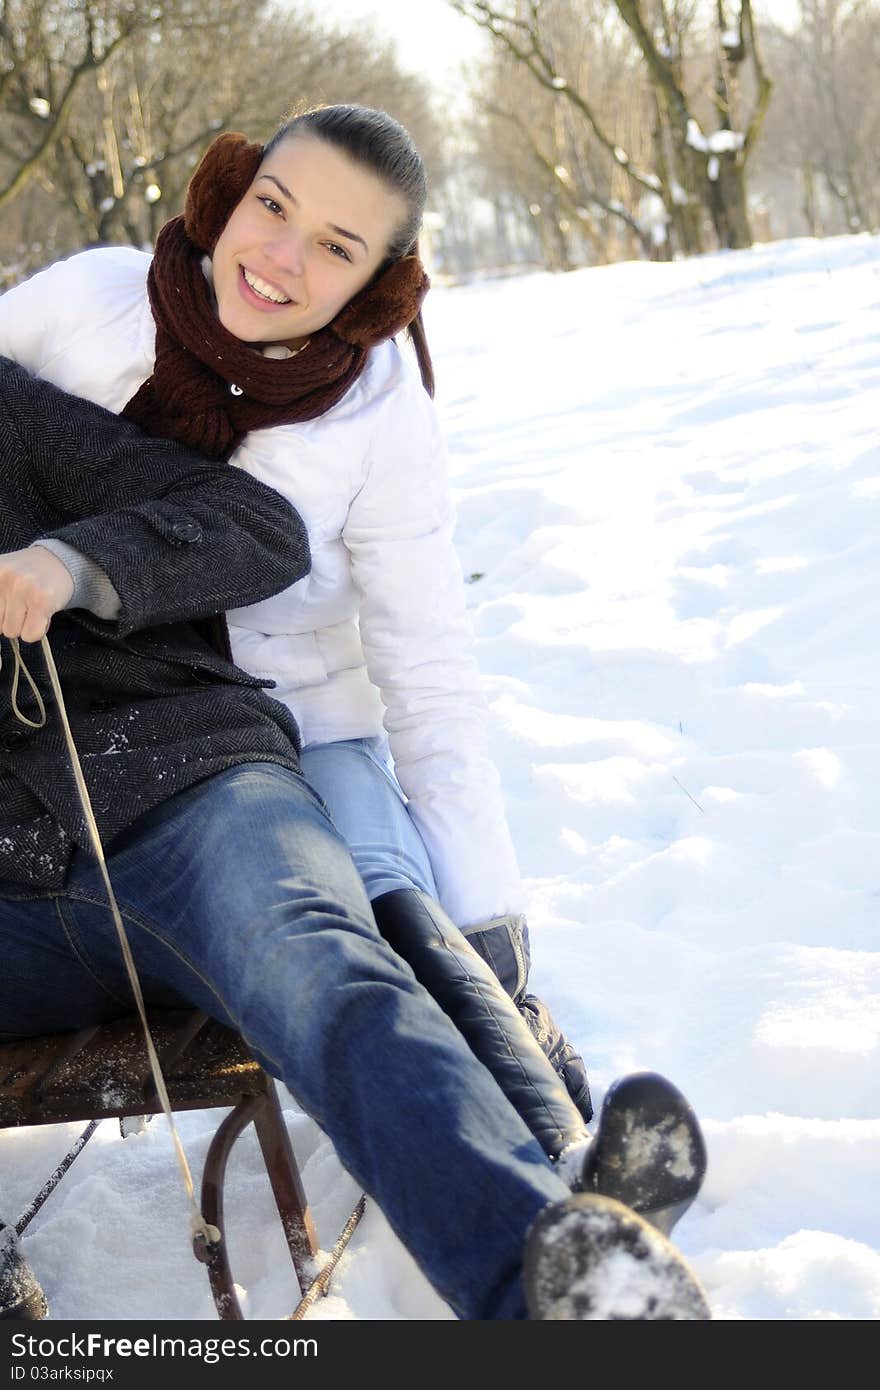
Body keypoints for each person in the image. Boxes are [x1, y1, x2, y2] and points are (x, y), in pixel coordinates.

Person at [0, 104, 710, 1318]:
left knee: (353, 933)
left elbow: (406, 645)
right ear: (232, 201)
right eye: (273, 211)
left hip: (224, 753)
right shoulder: (85, 310)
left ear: (377, 283)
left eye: (333, 244)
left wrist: (73, 561)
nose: (278, 256)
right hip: (26, 850)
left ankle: (548, 1247)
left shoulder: (368, 412)